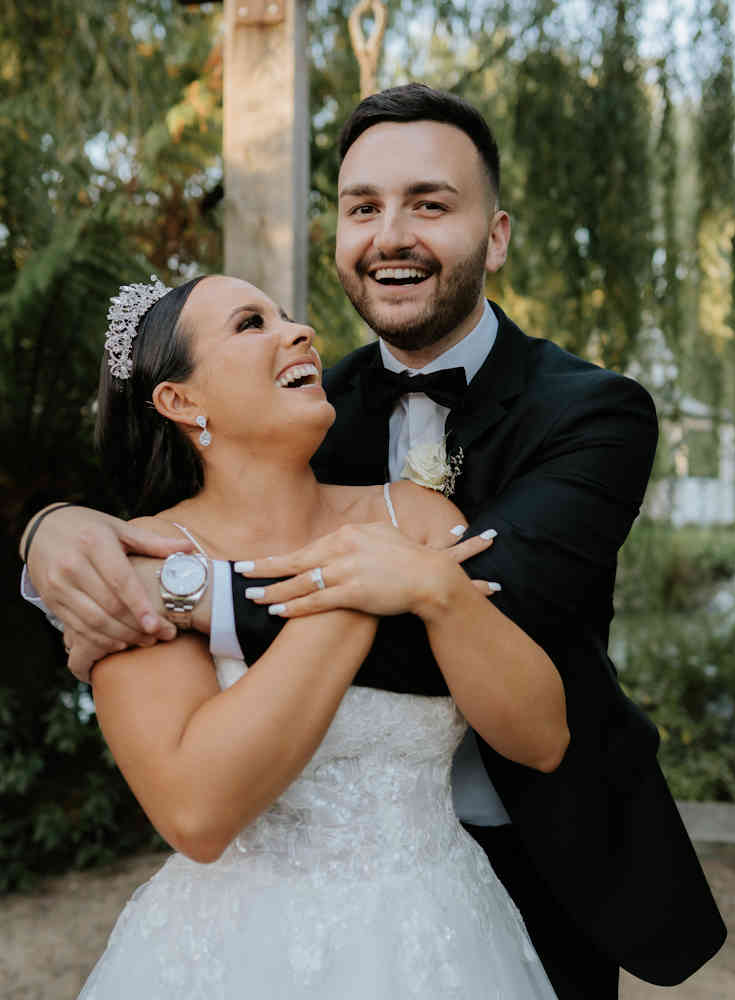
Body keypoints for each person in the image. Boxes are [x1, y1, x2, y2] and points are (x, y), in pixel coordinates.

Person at [25, 84, 726, 995]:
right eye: (364, 208)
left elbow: (499, 615)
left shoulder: (593, 413)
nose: (390, 234)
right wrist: (49, 534)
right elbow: (194, 792)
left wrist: (193, 595)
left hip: (535, 864)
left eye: (429, 204)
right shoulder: (314, 407)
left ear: (496, 235)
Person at [73, 270, 564, 997]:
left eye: (287, 316)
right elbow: (197, 814)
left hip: (445, 935)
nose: (299, 331)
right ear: (181, 401)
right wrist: (359, 589)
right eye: (251, 324)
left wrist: (432, 587)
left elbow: (542, 738)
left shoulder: (416, 515)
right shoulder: (145, 560)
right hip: (241, 952)